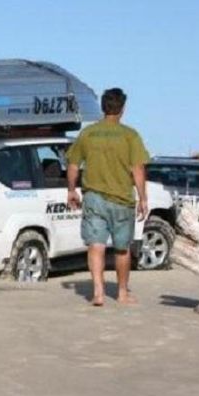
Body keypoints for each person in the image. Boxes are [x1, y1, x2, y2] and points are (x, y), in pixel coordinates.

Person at [66, 88, 150, 306]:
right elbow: (138, 168)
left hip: (94, 197)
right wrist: (143, 199)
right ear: (122, 109)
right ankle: (122, 293)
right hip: (121, 199)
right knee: (122, 248)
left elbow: (73, 165)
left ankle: (98, 292)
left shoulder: (88, 133)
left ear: (103, 108)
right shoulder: (130, 135)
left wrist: (71, 190)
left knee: (96, 245)